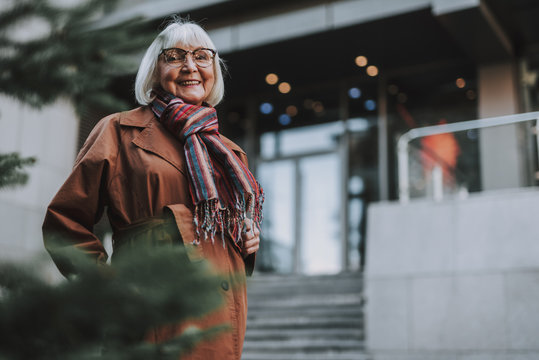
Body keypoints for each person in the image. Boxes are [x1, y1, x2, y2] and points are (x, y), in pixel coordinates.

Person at [42, 19, 263, 360]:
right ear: (155, 69)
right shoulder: (118, 131)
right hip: (149, 317)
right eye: (175, 56)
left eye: (202, 56)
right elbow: (64, 223)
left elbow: (225, 229)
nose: (191, 66)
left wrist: (246, 241)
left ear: (214, 69)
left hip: (220, 317)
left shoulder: (229, 152)